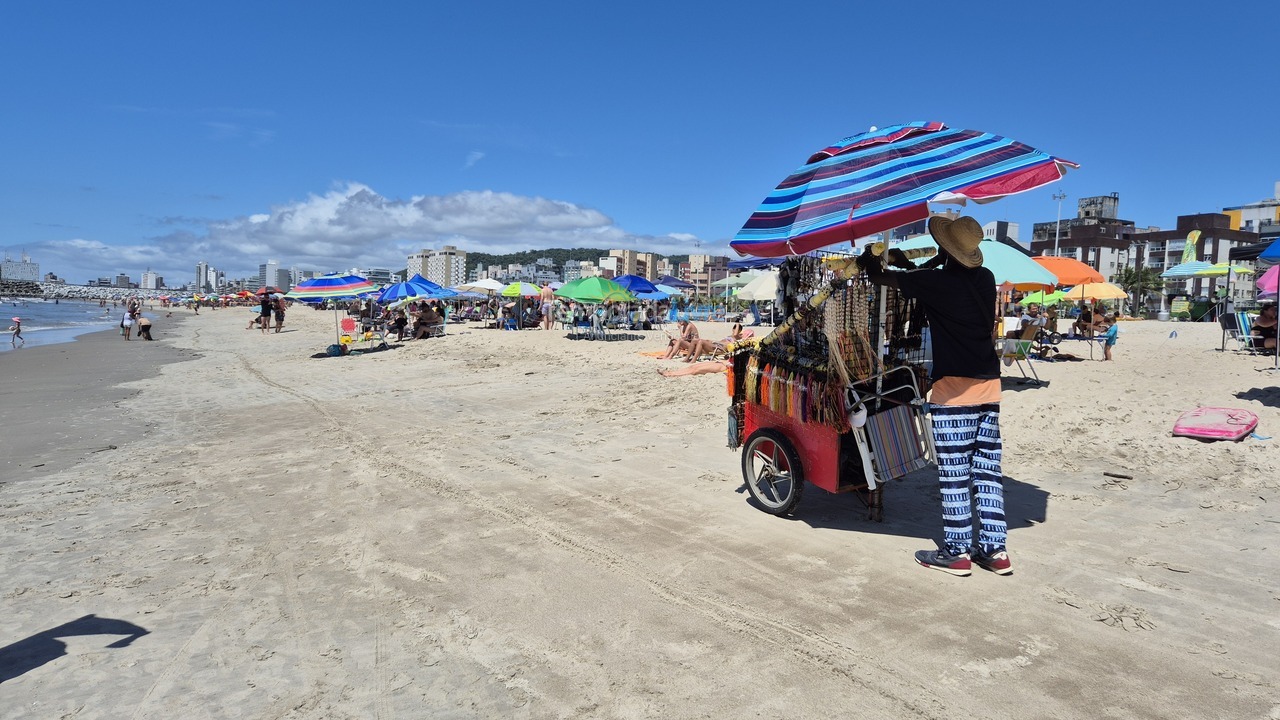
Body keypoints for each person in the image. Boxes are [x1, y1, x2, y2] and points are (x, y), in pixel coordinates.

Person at [860, 215, 1010, 577]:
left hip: (953, 393)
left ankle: (957, 551)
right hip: (989, 387)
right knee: (987, 470)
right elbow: (932, 276)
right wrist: (920, 263)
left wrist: (869, 257)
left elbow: (883, 278)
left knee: (955, 474)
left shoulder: (936, 282)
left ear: (945, 249)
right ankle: (995, 550)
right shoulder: (985, 279)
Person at [685, 323, 752, 362]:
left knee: (701, 341)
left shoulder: (738, 337)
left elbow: (736, 334)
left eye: (736, 329)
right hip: (715, 345)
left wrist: (737, 324)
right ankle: (687, 358)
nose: (734, 330)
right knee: (694, 340)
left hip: (720, 349)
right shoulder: (730, 336)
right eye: (733, 328)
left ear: (739, 331)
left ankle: (693, 360)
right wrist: (710, 341)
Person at [658, 359, 729, 377]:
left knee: (696, 370)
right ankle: (672, 372)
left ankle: (672, 374)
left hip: (724, 367)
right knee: (693, 366)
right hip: (723, 362)